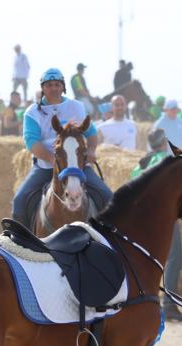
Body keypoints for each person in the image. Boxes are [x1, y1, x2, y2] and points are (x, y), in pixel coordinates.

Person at [11, 68, 112, 228]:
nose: (54, 88)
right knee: (20, 199)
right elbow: (32, 142)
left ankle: (111, 240)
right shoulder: (32, 113)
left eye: (57, 84)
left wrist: (91, 150)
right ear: (43, 88)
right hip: (46, 166)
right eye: (49, 85)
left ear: (63, 87)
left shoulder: (77, 107)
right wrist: (54, 160)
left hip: (78, 165)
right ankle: (18, 241)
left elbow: (92, 134)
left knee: (107, 196)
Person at [129, 128, 182, 322]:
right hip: (163, 217)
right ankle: (169, 305)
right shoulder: (168, 159)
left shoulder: (141, 164)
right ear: (164, 142)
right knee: (174, 259)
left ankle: (141, 302)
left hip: (141, 219)